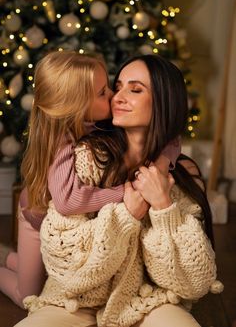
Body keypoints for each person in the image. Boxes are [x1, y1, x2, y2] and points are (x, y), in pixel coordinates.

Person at [15, 54, 223, 327]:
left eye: (135, 90)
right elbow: (64, 262)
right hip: (73, 297)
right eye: (117, 86)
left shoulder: (182, 174)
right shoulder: (86, 155)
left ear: (164, 102)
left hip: (150, 300)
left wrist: (163, 207)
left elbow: (195, 282)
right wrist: (126, 213)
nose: (116, 97)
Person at [0, 51, 179, 308]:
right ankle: (7, 264)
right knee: (28, 295)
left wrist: (160, 165)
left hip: (66, 232)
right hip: (36, 220)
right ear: (77, 104)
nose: (113, 96)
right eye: (103, 92)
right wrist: (126, 191)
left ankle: (11, 258)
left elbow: (172, 137)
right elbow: (68, 201)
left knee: (44, 273)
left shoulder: (101, 124)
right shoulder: (62, 140)